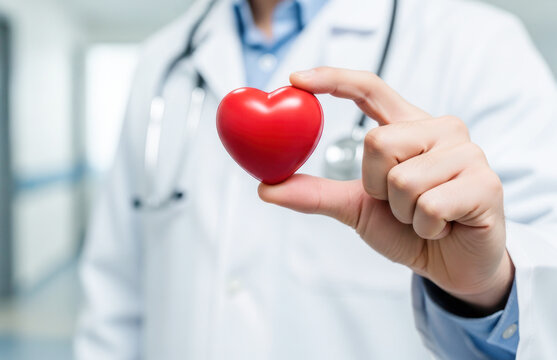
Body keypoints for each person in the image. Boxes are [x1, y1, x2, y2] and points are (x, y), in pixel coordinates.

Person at [75, 0, 557, 358]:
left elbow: (545, 281)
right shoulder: (163, 61)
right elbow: (114, 290)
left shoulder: (479, 46)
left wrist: (483, 291)